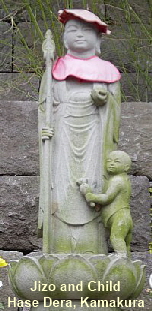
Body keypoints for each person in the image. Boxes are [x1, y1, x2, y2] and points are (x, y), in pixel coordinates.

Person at [38, 9, 121, 254]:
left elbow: (115, 111)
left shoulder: (108, 72)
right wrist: (45, 125)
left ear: (98, 40)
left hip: (96, 135)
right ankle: (58, 244)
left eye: (87, 31)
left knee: (94, 184)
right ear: (64, 38)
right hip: (63, 135)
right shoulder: (55, 69)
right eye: (73, 30)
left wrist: (104, 102)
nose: (79, 35)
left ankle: (92, 245)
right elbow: (46, 106)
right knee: (61, 184)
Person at [79, 151, 133, 256]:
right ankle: (126, 261)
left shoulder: (117, 180)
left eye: (116, 162)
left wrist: (89, 195)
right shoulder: (121, 180)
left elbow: (107, 198)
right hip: (123, 217)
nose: (111, 163)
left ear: (126, 167)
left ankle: (121, 259)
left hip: (120, 217)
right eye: (109, 161)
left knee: (116, 238)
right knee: (125, 245)